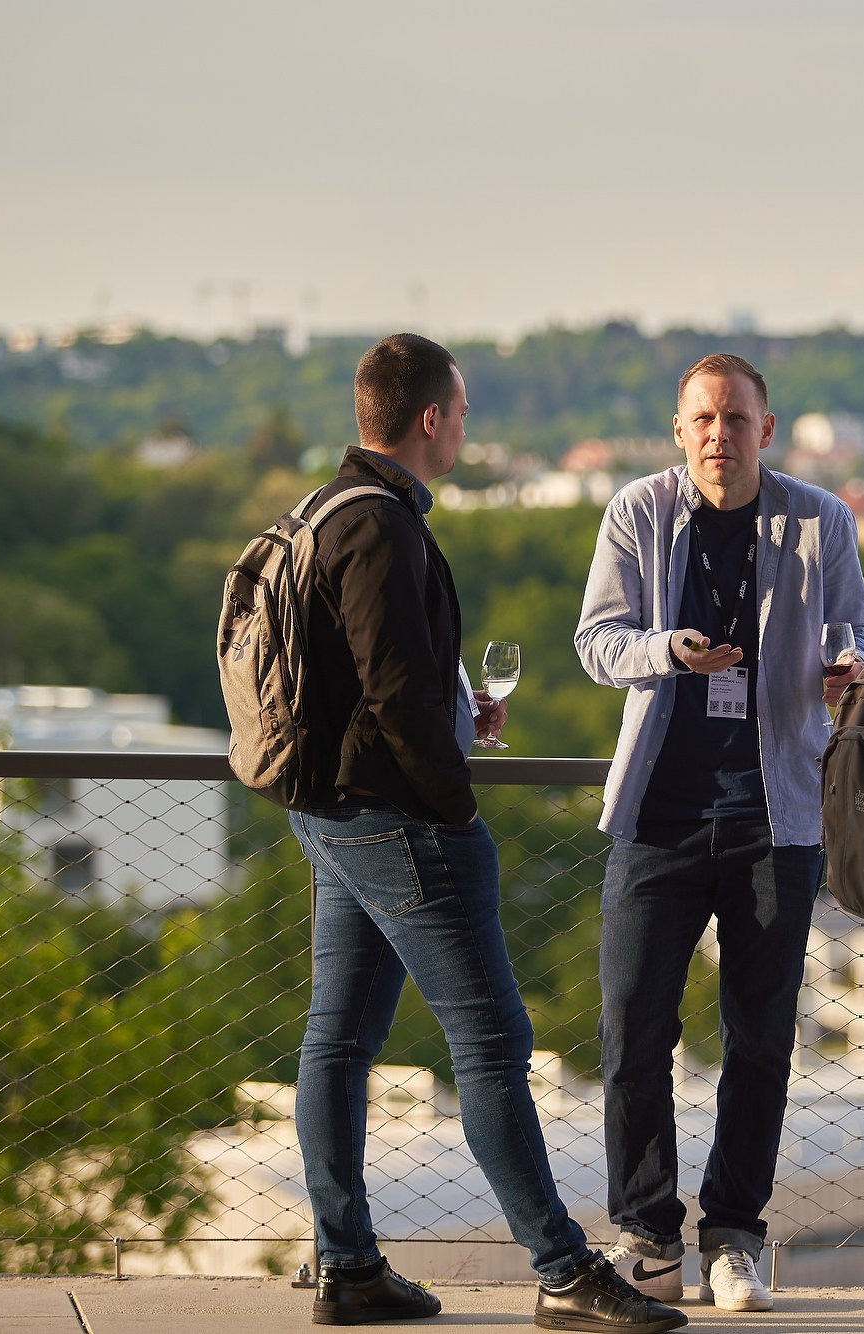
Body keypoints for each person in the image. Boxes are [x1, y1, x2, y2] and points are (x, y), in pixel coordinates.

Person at [286, 333, 684, 1332]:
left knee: (337, 1040)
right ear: (430, 417)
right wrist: (452, 800)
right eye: (460, 410)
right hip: (397, 818)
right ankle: (560, 1268)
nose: (466, 425)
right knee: (495, 1041)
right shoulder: (382, 528)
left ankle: (346, 1265)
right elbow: (390, 696)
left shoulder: (320, 511)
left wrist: (458, 715)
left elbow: (369, 683)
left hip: (326, 811)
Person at [574, 353, 864, 1313]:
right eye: (703, 419)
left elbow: (855, 632)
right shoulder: (637, 512)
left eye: (736, 420)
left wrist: (848, 671)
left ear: (766, 430)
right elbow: (597, 642)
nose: (719, 435)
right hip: (658, 815)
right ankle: (648, 1235)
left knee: (759, 1040)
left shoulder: (819, 519)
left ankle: (734, 1238)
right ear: (679, 430)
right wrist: (668, 650)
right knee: (632, 1032)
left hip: (776, 815)